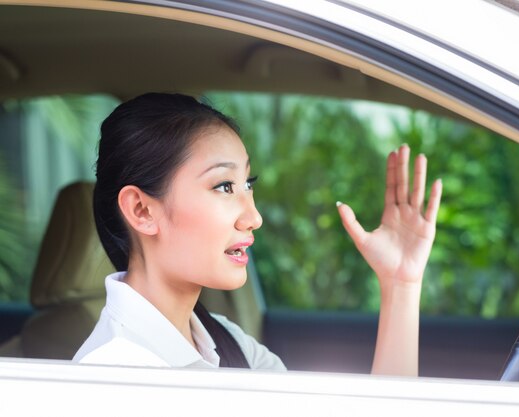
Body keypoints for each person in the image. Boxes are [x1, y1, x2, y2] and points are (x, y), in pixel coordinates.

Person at [73, 92, 442, 376]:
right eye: (223, 186)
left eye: (247, 183)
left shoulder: (227, 343)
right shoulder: (114, 374)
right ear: (142, 210)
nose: (254, 217)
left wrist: (400, 286)